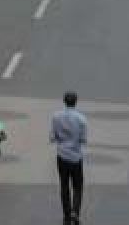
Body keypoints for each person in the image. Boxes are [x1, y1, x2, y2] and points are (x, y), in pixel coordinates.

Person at [50, 91, 88, 225]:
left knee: (64, 185)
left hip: (62, 156)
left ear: (64, 101)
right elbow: (83, 140)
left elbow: (52, 137)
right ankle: (75, 212)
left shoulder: (56, 117)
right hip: (76, 157)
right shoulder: (81, 119)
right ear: (76, 102)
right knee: (78, 186)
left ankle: (66, 214)